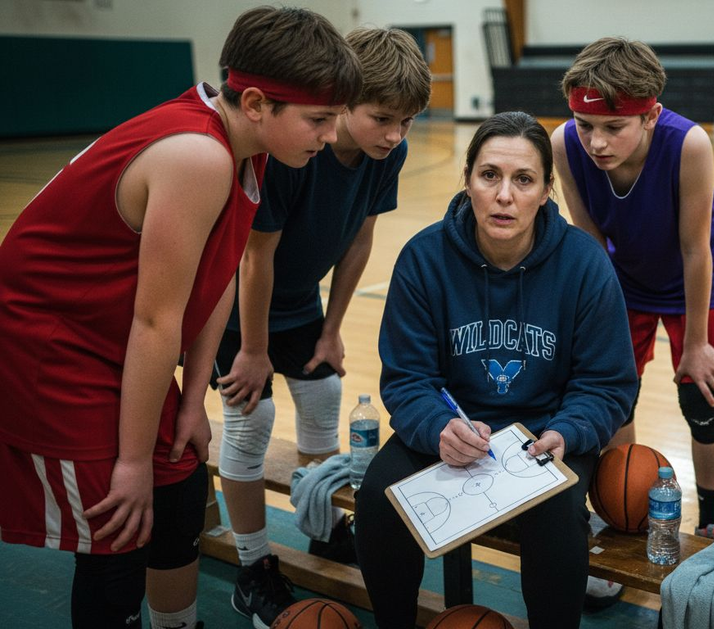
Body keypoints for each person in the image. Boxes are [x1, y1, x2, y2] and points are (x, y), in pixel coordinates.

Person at [0, 7, 359, 629]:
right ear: (254, 102)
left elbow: (212, 280)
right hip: (50, 347)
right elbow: (153, 321)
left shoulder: (249, 150)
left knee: (181, 490)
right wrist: (133, 460)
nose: (330, 136)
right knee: (118, 525)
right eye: (319, 119)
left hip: (112, 341)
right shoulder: (197, 155)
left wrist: (194, 400)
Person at [353, 111, 637, 629]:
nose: (504, 195)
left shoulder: (584, 264)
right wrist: (438, 427)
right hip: (453, 427)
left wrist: (567, 431)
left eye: (523, 179)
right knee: (377, 499)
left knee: (557, 514)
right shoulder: (423, 258)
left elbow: (608, 383)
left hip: (545, 436)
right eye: (490, 176)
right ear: (467, 181)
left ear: (547, 190)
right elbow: (407, 377)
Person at [208, 26, 431, 627]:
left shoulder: (389, 154)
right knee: (251, 422)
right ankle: (253, 568)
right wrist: (252, 350)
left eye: (407, 122)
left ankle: (320, 526)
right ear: (342, 101)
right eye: (382, 117)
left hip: (302, 301)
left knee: (324, 393)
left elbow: (360, 239)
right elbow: (255, 257)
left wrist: (331, 329)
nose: (395, 134)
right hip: (235, 307)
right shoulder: (293, 151)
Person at [550, 39, 714, 603]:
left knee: (700, 397)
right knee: (611, 396)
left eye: (614, 126)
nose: (596, 141)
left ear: (650, 116)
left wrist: (697, 343)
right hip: (621, 278)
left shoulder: (688, 144)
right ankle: (621, 511)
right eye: (585, 123)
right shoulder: (565, 143)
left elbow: (695, 249)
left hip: (690, 277)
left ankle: (712, 517)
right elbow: (587, 236)